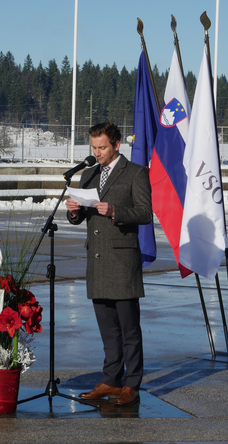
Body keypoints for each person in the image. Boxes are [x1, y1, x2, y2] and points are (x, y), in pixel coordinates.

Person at [65, 121, 153, 406]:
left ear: (116, 145)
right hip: (98, 260)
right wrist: (74, 212)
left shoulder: (136, 173)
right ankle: (110, 380)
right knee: (107, 330)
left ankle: (132, 384)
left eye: (102, 147)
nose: (97, 152)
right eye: (93, 147)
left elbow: (145, 213)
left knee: (129, 329)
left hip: (123, 259)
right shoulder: (89, 175)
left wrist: (116, 211)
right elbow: (82, 218)